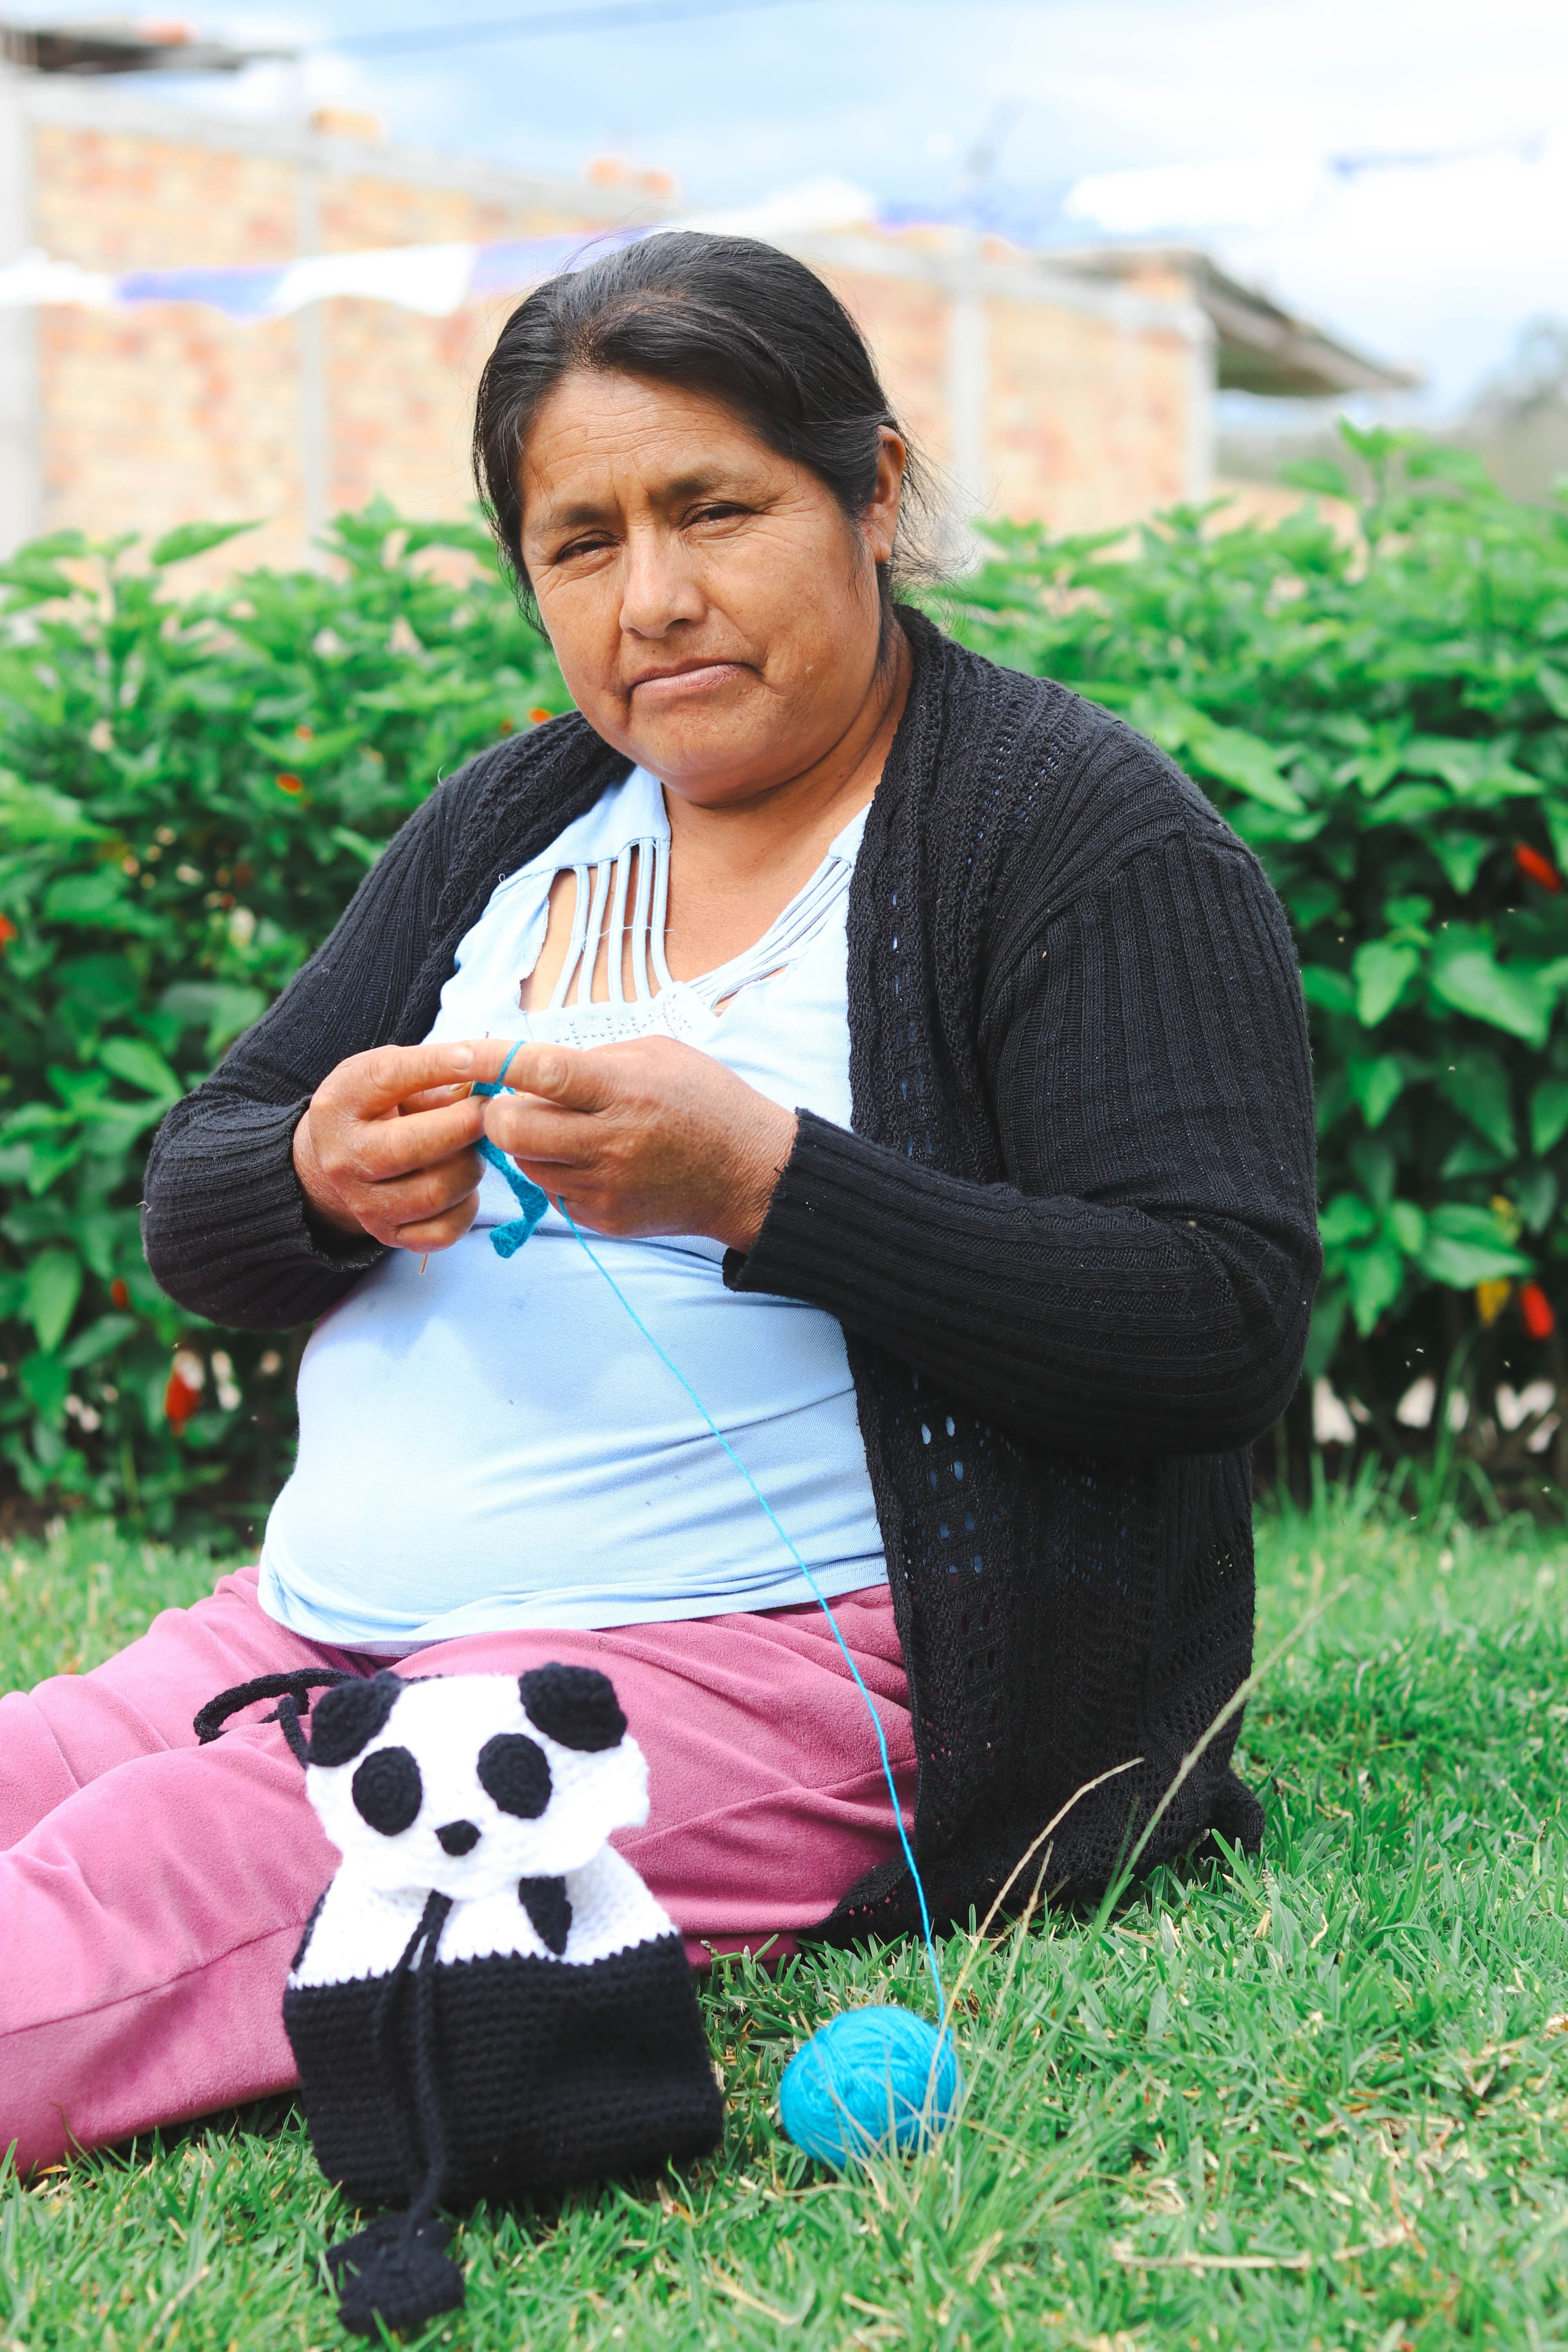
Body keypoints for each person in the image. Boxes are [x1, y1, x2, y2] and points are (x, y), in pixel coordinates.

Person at [0, 232, 1319, 2170]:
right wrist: (318, 1175)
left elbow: (1214, 1319)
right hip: (317, 1630)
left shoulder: (1075, 835)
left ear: (871, 491)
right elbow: (199, 1189)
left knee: (102, 1909)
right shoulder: (518, 818)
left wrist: (769, 1185)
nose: (660, 598)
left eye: (719, 509)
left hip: (756, 1665)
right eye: (584, 540)